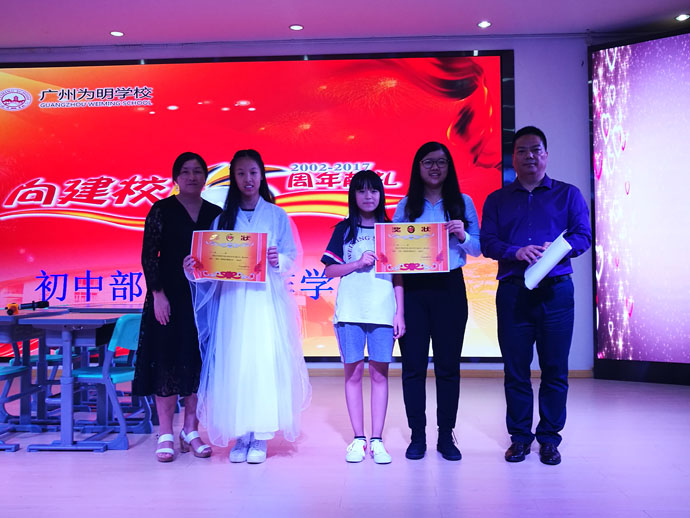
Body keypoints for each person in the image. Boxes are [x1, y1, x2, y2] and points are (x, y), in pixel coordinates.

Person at [184, 149, 311, 464]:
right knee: (236, 364)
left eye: (253, 172)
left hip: (265, 303)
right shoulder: (222, 219)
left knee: (262, 363)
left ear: (262, 175)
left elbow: (292, 256)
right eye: (241, 173)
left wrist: (278, 260)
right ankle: (241, 434)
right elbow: (211, 266)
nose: (248, 179)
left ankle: (261, 435)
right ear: (234, 178)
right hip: (232, 303)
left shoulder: (277, 215)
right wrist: (195, 267)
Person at [480, 126, 591, 465]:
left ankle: (549, 439)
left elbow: (583, 236)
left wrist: (556, 251)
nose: (530, 156)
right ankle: (519, 438)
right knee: (515, 370)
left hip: (556, 293)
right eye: (522, 150)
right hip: (513, 292)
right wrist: (516, 251)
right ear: (513, 158)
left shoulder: (568, 194)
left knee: (555, 369)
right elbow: (488, 243)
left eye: (536, 150)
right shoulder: (497, 199)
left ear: (546, 155)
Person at [393, 142, 481, 461]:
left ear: (449, 167)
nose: (435, 167)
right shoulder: (406, 206)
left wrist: (463, 235)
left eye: (441, 162)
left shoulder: (463, 202)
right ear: (418, 167)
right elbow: (393, 252)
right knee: (413, 368)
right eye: (428, 162)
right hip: (414, 289)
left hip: (449, 288)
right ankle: (417, 436)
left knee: (448, 367)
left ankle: (446, 436)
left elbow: (478, 249)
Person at [133, 151, 222, 462]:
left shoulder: (216, 213)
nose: (192, 177)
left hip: (204, 298)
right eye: (185, 172)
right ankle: (165, 433)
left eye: (198, 171)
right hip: (168, 296)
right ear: (175, 178)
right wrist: (157, 294)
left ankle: (191, 430)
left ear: (206, 177)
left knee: (197, 363)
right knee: (166, 361)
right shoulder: (161, 209)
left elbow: (225, 256)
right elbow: (149, 255)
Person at [321, 170, 405, 464]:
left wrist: (400, 312)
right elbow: (329, 270)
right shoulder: (344, 229)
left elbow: (399, 276)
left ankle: (377, 439)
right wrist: (356, 263)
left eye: (374, 190)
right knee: (354, 374)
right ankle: (358, 439)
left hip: (383, 312)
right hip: (350, 312)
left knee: (380, 375)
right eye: (361, 191)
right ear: (353, 195)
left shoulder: (391, 230)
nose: (368, 196)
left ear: (381, 194)